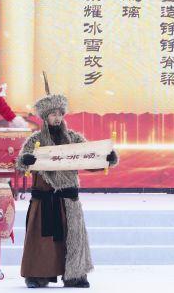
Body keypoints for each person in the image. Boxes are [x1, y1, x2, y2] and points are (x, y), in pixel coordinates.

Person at [15, 93, 118, 288]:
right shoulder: (35, 140)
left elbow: (89, 158)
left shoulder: (74, 138)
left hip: (68, 199)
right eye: (53, 114)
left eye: (59, 114)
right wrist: (26, 160)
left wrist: (107, 158)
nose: (57, 118)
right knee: (42, 240)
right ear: (45, 117)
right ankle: (37, 276)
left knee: (73, 238)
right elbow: (21, 164)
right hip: (44, 199)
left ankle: (75, 276)